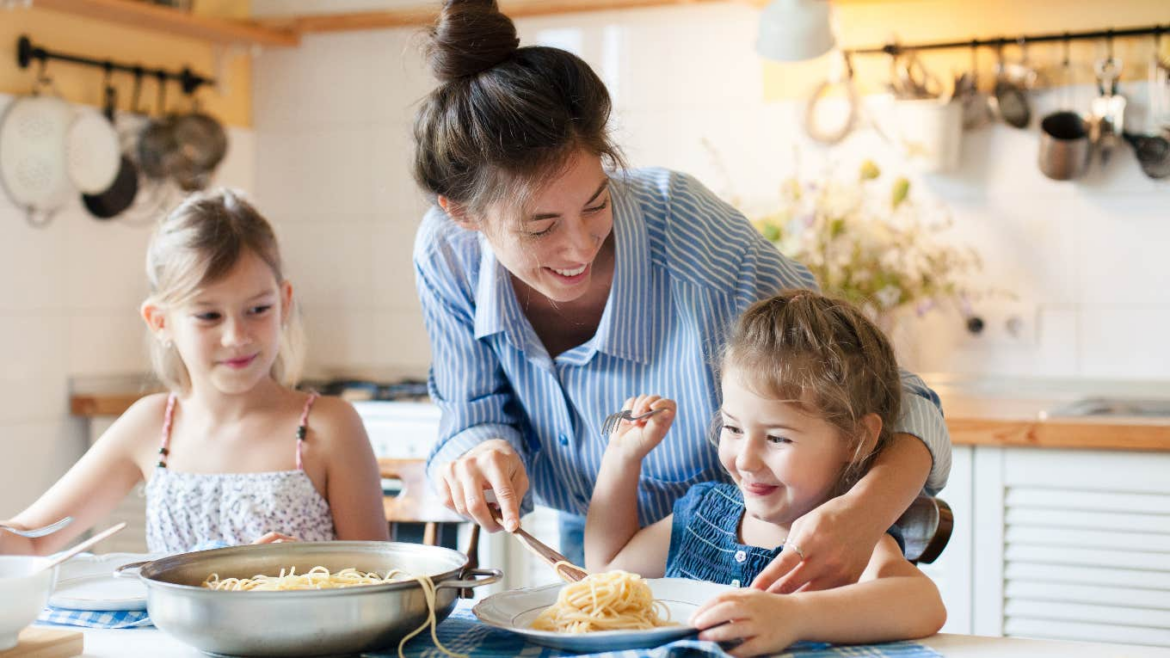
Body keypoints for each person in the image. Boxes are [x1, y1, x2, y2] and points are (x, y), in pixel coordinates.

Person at [412, 0, 951, 589]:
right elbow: (471, 411)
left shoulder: (686, 228)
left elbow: (892, 395)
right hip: (598, 540)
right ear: (462, 214)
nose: (579, 247)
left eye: (597, 203)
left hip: (750, 539)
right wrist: (479, 449)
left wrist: (863, 514)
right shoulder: (446, 256)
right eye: (540, 227)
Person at [0, 190, 389, 556]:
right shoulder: (151, 425)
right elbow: (33, 540)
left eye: (258, 310)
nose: (236, 337)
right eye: (208, 315)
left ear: (284, 303)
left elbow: (383, 579)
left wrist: (306, 568)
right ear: (160, 321)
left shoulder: (331, 426)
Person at [584, 291, 946, 656]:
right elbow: (606, 569)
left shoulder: (841, 543)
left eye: (776, 437)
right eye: (733, 428)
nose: (746, 459)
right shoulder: (702, 515)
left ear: (855, 440)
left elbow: (924, 604)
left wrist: (795, 616)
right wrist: (621, 457)